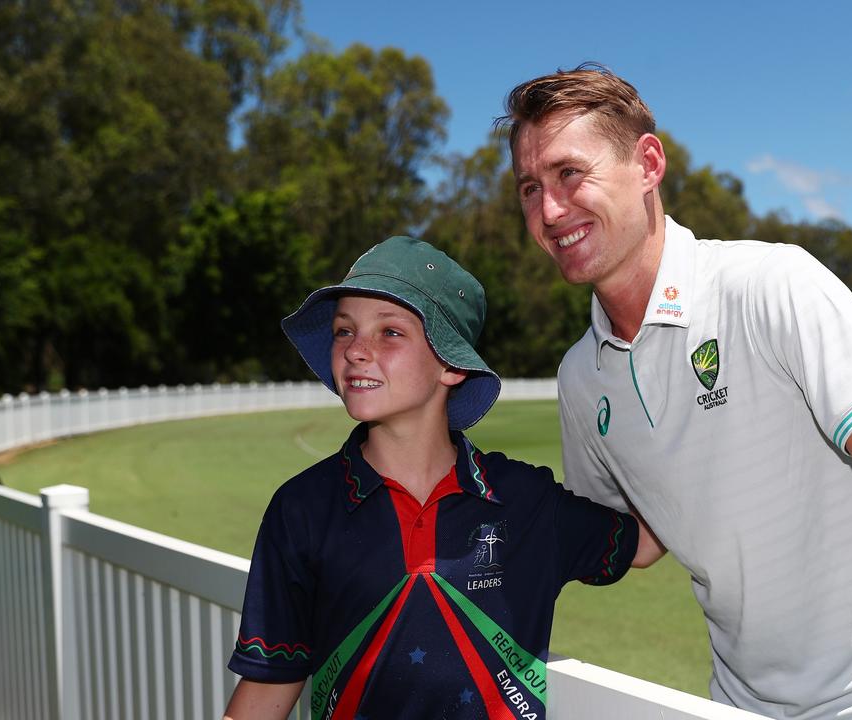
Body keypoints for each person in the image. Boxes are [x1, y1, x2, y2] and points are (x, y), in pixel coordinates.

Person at [499, 65, 852, 720]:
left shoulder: (771, 284)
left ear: (647, 163)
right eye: (529, 188)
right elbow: (637, 539)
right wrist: (474, 532)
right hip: (739, 706)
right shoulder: (580, 376)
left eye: (570, 174)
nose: (549, 210)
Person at [223, 236, 661, 720]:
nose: (355, 351)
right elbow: (267, 690)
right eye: (344, 331)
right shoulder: (301, 509)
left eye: (390, 333)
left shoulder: (526, 501)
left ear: (451, 365)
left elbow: (642, 543)